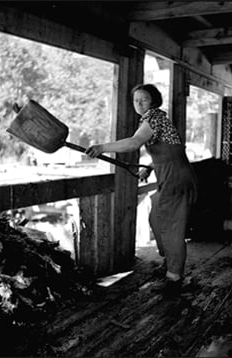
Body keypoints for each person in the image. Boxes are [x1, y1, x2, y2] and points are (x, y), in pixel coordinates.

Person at [85, 83, 197, 296]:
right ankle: (170, 263)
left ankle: (174, 278)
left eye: (144, 99)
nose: (139, 104)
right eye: (136, 100)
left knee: (171, 227)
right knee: (156, 218)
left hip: (176, 178)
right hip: (171, 174)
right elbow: (170, 151)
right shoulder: (155, 120)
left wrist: (102, 147)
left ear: (154, 101)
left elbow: (134, 142)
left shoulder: (154, 117)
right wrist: (150, 168)